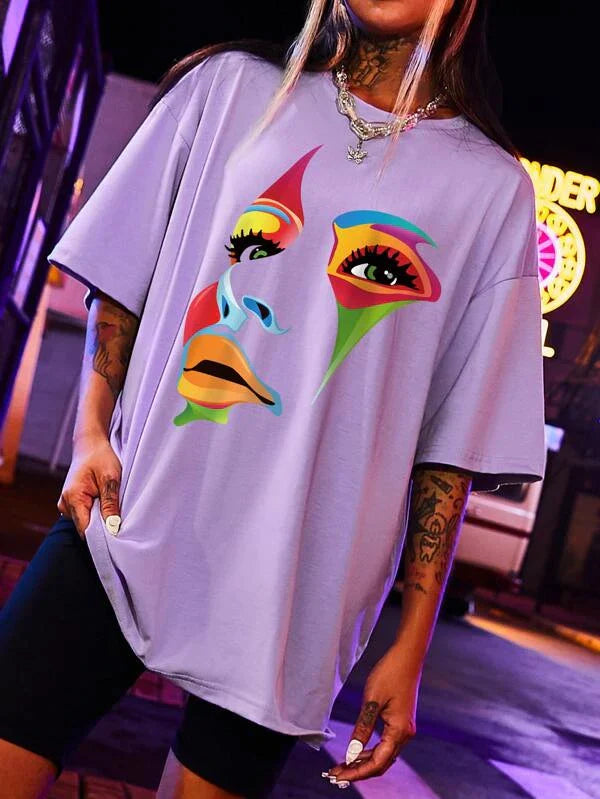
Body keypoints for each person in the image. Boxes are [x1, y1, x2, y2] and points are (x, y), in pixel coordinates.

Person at [0, 0, 547, 796]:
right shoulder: (228, 88)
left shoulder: (491, 190)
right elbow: (121, 270)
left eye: (377, 269)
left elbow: (452, 442)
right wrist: (91, 431)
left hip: (298, 579)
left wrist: (412, 645)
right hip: (128, 509)